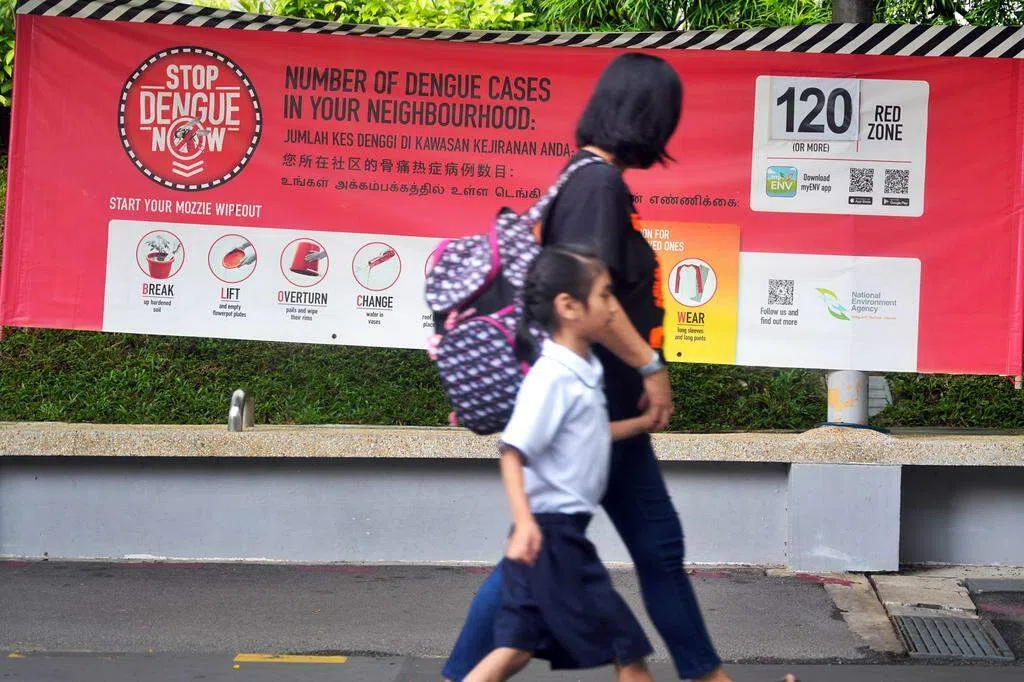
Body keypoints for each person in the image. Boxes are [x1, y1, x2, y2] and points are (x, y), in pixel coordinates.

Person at [444, 52, 731, 682]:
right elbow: (591, 297)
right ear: (650, 117)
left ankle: (700, 674)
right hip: (590, 408)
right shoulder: (597, 187)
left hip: (606, 406)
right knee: (545, 549)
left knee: (643, 549)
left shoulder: (588, 180)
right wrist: (651, 366)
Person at [465, 245, 659, 682]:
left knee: (514, 649)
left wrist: (642, 423)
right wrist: (525, 523)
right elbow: (512, 451)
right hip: (554, 536)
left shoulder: (581, 369)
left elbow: (590, 434)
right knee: (627, 648)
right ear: (569, 307)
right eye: (605, 295)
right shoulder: (551, 377)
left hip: (554, 534)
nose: (614, 307)